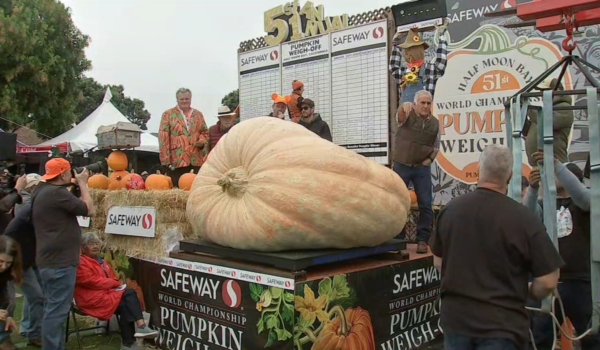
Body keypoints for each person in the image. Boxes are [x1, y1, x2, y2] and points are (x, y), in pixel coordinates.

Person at [430, 145, 564, 350]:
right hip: (502, 327)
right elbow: (548, 279)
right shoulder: (524, 219)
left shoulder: (450, 211)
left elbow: (438, 262)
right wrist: (530, 291)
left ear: (478, 171)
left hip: (457, 322)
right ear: (509, 176)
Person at [525, 151, 598, 348]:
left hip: (581, 282)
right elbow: (527, 219)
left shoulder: (584, 204)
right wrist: (532, 189)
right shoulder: (546, 204)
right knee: (540, 338)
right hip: (550, 282)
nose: (551, 175)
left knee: (590, 337)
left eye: (558, 174)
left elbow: (584, 196)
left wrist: (557, 165)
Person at [32, 158, 94, 350]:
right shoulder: (56, 193)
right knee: (56, 313)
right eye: (68, 171)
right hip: (59, 263)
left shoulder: (41, 191)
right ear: (62, 175)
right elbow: (89, 210)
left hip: (48, 259)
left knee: (53, 309)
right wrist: (83, 183)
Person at [74, 233, 157, 349]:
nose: (95, 246)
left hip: (105, 295)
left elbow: (113, 277)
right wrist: (114, 283)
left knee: (126, 301)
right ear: (83, 247)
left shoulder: (102, 262)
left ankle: (130, 341)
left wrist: (114, 283)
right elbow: (91, 281)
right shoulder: (80, 262)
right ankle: (138, 330)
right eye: (91, 244)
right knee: (129, 295)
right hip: (91, 300)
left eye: (97, 244)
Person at [393, 90, 440, 254]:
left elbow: (436, 147)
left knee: (426, 205)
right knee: (398, 203)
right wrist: (402, 106)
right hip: (401, 164)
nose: (425, 106)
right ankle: (397, 239)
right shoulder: (407, 114)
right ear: (415, 104)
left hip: (421, 168)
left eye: (428, 103)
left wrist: (427, 162)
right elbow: (399, 118)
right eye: (422, 102)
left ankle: (422, 240)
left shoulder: (435, 123)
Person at [4, 198, 42, 347]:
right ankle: (30, 333)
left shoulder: (35, 212)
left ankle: (28, 329)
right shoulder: (29, 217)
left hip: (31, 259)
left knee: (33, 297)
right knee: (35, 297)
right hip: (18, 262)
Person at [159, 88, 209, 186]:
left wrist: (202, 141)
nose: (184, 101)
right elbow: (163, 138)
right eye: (182, 99)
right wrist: (166, 161)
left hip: (196, 160)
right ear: (177, 99)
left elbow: (205, 132)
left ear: (190, 99)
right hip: (177, 161)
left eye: (187, 99)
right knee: (178, 189)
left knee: (195, 188)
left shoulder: (198, 114)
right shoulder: (168, 114)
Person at [525, 78, 574, 166]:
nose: (541, 96)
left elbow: (548, 122)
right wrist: (522, 112)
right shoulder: (545, 111)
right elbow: (527, 131)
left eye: (544, 91)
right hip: (540, 165)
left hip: (556, 165)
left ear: (557, 92)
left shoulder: (565, 108)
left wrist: (528, 109)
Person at [0, 236, 23, 350]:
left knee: (10, 302)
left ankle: (2, 338)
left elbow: (6, 300)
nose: (4, 267)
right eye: (1, 261)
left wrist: (7, 316)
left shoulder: (6, 274)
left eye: (8, 263)